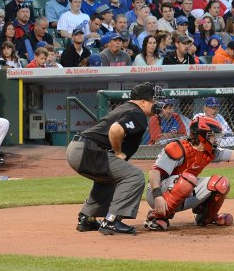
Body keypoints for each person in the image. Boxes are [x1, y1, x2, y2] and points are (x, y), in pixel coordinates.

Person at [144, 115, 234, 231]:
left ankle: (207, 218)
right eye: (212, 136)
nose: (215, 139)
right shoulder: (177, 148)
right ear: (202, 136)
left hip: (184, 187)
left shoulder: (210, 151)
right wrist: (157, 196)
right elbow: (154, 173)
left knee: (221, 183)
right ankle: (157, 217)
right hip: (157, 193)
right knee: (188, 179)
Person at [66, 82, 164, 235]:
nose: (157, 104)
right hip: (89, 151)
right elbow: (116, 130)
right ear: (143, 102)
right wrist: (118, 152)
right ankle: (112, 221)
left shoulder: (126, 108)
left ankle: (87, 218)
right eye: (154, 101)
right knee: (134, 176)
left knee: (110, 179)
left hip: (78, 149)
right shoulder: (137, 113)